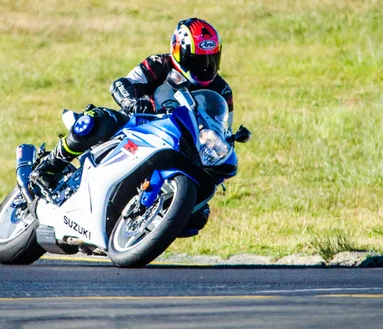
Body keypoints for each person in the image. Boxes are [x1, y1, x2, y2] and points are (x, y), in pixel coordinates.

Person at [31, 17, 232, 234]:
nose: (205, 68)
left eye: (211, 59)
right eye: (196, 60)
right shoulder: (160, 64)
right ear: (178, 51)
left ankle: (146, 223)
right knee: (94, 120)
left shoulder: (222, 89)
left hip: (182, 144)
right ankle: (52, 164)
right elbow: (122, 84)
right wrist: (132, 102)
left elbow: (221, 126)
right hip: (140, 125)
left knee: (199, 214)